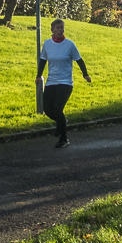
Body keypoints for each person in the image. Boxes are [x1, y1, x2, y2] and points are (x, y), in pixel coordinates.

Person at [36, 18, 91, 148]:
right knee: (47, 109)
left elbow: (79, 60)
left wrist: (85, 74)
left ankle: (64, 138)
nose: (60, 30)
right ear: (52, 30)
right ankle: (62, 123)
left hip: (65, 82)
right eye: (58, 28)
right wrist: (38, 75)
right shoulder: (47, 44)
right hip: (51, 81)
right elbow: (43, 60)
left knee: (58, 108)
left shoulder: (69, 45)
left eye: (62, 27)